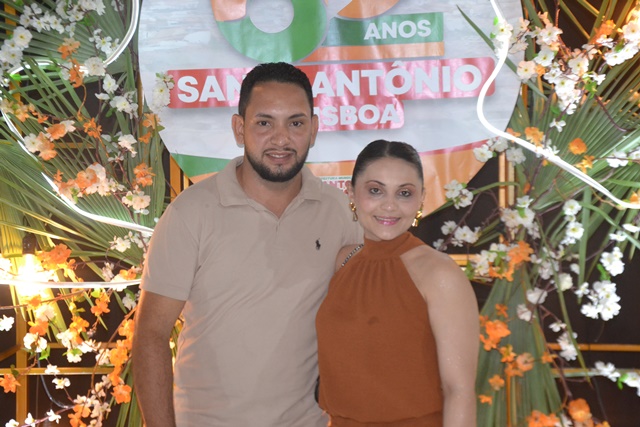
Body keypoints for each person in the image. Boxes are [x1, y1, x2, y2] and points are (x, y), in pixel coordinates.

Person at [132, 62, 362, 427]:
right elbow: (151, 335)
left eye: (296, 123)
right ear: (240, 129)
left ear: (315, 129)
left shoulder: (340, 212)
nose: (281, 139)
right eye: (264, 123)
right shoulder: (190, 213)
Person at [316, 139, 479, 427]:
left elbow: (460, 391)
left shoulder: (439, 274)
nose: (390, 205)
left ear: (421, 198)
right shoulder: (344, 260)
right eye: (375, 190)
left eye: (404, 193)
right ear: (351, 192)